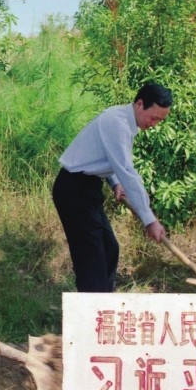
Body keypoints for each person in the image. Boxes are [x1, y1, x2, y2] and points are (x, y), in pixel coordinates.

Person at [52, 82, 172, 292]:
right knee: (92, 258)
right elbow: (127, 171)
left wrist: (115, 183)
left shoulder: (125, 121)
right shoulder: (116, 122)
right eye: (153, 117)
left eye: (159, 120)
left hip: (89, 188)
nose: (154, 124)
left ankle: (104, 304)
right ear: (140, 103)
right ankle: (93, 313)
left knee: (109, 248)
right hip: (73, 190)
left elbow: (109, 157)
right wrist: (149, 220)